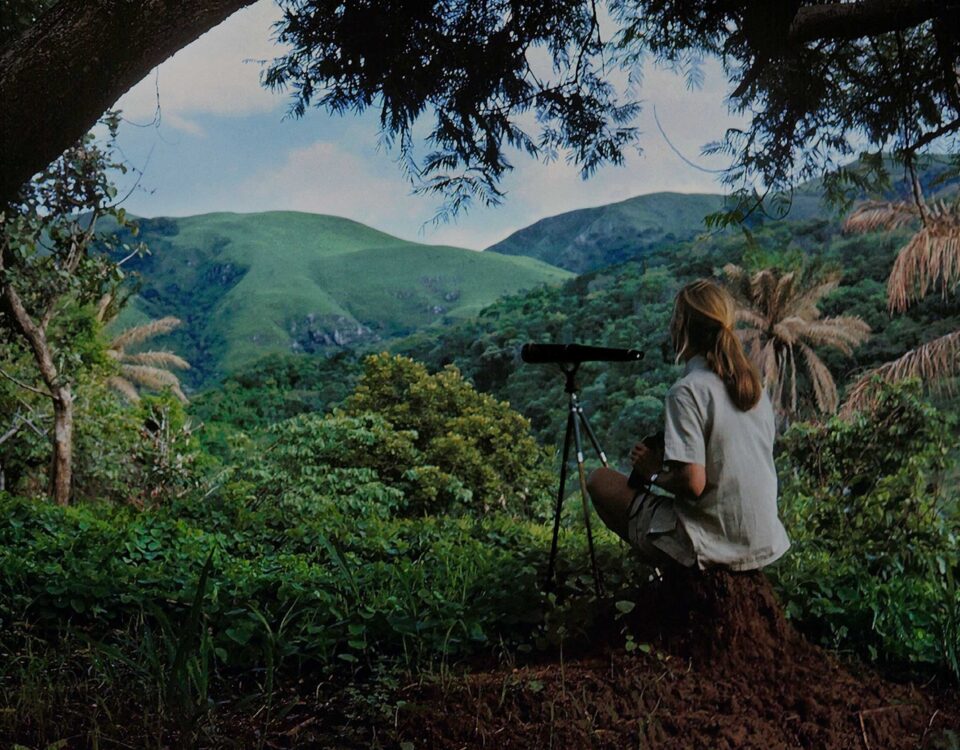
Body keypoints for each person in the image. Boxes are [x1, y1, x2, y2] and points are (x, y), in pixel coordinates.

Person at [586, 278, 790, 571]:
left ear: (681, 327)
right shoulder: (752, 387)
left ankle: (672, 568)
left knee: (600, 481)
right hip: (761, 539)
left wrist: (653, 474)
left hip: (712, 542)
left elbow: (694, 484)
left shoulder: (687, 391)